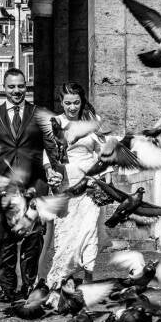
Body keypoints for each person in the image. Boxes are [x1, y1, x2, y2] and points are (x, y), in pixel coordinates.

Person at [0, 68, 63, 302]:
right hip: (2, 187)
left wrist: (56, 171)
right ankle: (8, 289)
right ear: (4, 88)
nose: (17, 91)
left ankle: (30, 286)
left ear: (26, 86)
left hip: (34, 184)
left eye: (21, 86)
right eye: (12, 87)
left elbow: (51, 148)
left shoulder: (38, 114)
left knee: (33, 239)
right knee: (5, 240)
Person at [42, 82, 105, 289]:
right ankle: (63, 274)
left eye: (76, 102)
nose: (72, 107)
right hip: (64, 181)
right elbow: (48, 152)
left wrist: (105, 180)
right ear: (61, 102)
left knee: (88, 230)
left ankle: (88, 273)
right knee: (66, 231)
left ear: (82, 101)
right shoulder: (55, 122)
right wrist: (49, 171)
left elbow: (102, 151)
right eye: (67, 103)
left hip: (89, 182)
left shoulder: (93, 121)